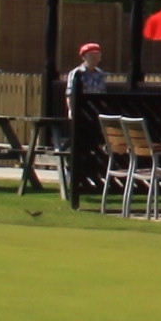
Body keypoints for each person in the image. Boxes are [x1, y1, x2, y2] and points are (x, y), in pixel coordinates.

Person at [60, 40, 122, 205]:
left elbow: (102, 94)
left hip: (95, 115)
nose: (95, 58)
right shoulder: (77, 73)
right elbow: (70, 94)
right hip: (80, 114)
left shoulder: (100, 74)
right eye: (91, 55)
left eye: (97, 55)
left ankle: (93, 177)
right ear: (84, 57)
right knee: (77, 146)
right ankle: (71, 176)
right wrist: (72, 111)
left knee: (95, 146)